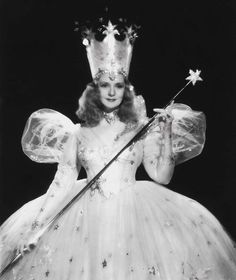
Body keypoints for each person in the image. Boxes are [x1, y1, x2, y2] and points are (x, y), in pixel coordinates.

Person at [1, 21, 236, 280]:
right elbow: (62, 180)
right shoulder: (78, 133)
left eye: (119, 85)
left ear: (126, 89)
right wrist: (37, 225)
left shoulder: (141, 128)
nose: (112, 91)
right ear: (95, 89)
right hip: (85, 222)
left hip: (137, 217)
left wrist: (166, 132)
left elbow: (161, 176)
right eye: (105, 85)